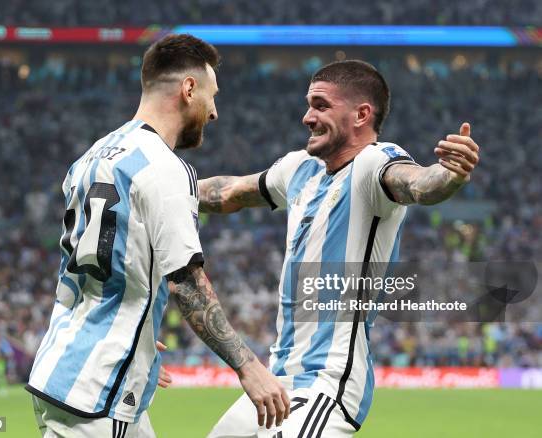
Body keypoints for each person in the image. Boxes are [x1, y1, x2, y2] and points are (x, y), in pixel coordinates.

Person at [26, 34, 289, 437]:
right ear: (188, 89)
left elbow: (91, 270)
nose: (214, 111)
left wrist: (138, 342)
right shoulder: (165, 167)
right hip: (99, 391)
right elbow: (187, 284)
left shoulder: (90, 157)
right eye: (212, 95)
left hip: (68, 368)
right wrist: (249, 368)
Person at [199, 60, 480, 437]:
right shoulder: (300, 168)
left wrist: (450, 173)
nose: (306, 116)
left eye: (320, 105)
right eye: (308, 104)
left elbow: (418, 184)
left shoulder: (373, 164)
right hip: (276, 382)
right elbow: (229, 192)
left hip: (327, 384)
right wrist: (160, 185)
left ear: (362, 114)